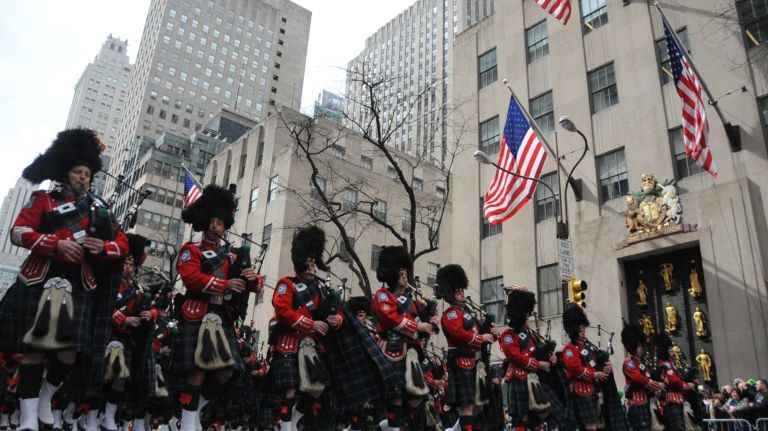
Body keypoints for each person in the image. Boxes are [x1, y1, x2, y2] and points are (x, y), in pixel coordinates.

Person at [0, 129, 128, 431]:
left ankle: (46, 396)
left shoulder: (100, 209)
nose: (83, 177)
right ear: (65, 172)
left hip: (79, 283)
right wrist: (54, 244)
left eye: (87, 173)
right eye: (77, 172)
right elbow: (18, 232)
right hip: (41, 278)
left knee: (69, 352)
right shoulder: (43, 200)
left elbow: (122, 242)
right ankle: (28, 417)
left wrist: (104, 247)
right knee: (33, 348)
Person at [169, 184, 263, 431]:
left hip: (222, 317)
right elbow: (191, 279)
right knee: (198, 369)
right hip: (197, 313)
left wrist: (253, 279)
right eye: (211, 221)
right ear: (204, 222)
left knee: (225, 372)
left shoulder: (233, 256)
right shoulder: (191, 250)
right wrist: (224, 284)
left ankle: (193, 411)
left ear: (225, 226)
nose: (215, 226)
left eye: (220, 223)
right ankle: (188, 423)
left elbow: (254, 285)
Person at [270, 225, 343, 431]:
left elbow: (336, 311)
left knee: (316, 389)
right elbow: (282, 310)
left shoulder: (321, 287)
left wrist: (338, 319)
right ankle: (285, 426)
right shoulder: (287, 284)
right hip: (291, 341)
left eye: (314, 261)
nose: (312, 266)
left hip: (313, 345)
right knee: (291, 388)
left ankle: (292, 422)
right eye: (308, 261)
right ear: (299, 262)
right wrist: (311, 323)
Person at [372, 246, 439, 431]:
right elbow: (391, 319)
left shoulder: (413, 299)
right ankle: (388, 427)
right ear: (392, 274)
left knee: (416, 399)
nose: (405, 276)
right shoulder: (382, 296)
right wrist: (418, 326)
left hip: (412, 353)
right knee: (396, 399)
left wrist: (432, 321)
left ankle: (382, 428)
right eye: (401, 273)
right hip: (391, 350)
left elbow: (422, 323)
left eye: (405, 272)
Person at [101, 233, 157, 431]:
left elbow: (151, 309)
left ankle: (108, 416)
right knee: (98, 376)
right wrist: (123, 319)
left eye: (131, 265)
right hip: (106, 333)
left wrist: (149, 314)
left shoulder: (137, 289)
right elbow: (103, 306)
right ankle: (87, 413)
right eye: (125, 263)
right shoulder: (108, 282)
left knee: (121, 377)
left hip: (125, 339)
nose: (128, 267)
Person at [437, 264, 497, 431]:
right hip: (460, 361)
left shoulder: (467, 313)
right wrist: (480, 338)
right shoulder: (451, 313)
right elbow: (458, 334)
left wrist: (490, 334)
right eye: (458, 292)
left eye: (462, 290)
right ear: (450, 294)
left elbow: (477, 332)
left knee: (478, 406)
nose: (462, 294)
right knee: (468, 405)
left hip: (473, 362)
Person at [499, 286, 561, 430]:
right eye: (527, 314)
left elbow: (540, 351)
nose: (529, 317)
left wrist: (551, 358)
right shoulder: (508, 335)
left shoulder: (532, 335)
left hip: (535, 380)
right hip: (519, 379)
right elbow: (514, 356)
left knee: (538, 418)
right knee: (521, 419)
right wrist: (537, 364)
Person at [561, 304, 611, 431]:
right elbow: (574, 367)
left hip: (593, 389)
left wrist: (606, 367)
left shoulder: (589, 348)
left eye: (584, 330)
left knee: (596, 424)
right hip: (580, 389)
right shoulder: (569, 349)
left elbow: (597, 364)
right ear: (574, 330)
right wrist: (593, 374)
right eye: (581, 330)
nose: (583, 332)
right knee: (590, 426)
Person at [621, 323, 664, 431]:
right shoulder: (628, 363)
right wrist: (657, 385)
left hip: (646, 402)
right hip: (636, 403)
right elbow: (638, 378)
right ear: (633, 345)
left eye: (641, 346)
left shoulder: (642, 362)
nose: (641, 348)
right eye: (639, 346)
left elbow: (649, 376)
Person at [652, 333, 692, 431]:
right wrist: (686, 385)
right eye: (669, 349)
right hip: (673, 400)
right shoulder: (667, 365)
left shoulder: (667, 364)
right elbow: (673, 380)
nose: (672, 350)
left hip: (671, 401)